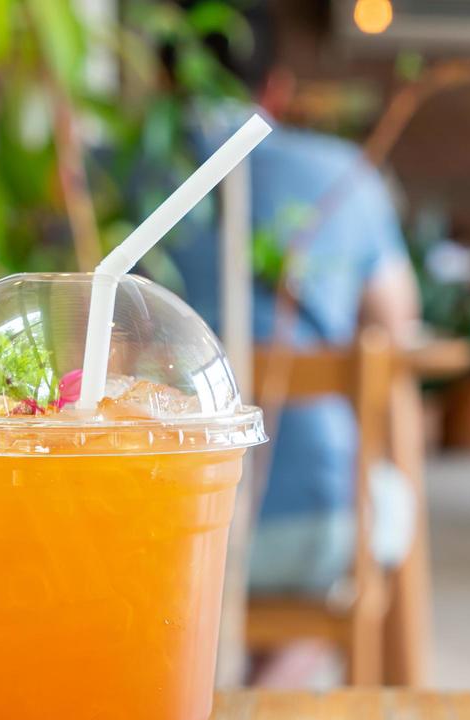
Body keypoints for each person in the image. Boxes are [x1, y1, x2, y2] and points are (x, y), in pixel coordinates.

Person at [160, 3, 420, 679]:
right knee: (389, 509)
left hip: (157, 526)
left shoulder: (116, 174)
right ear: (275, 87)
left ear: (162, 80)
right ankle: (268, 686)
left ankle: (237, 696)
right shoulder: (342, 173)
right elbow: (397, 326)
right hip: (315, 523)